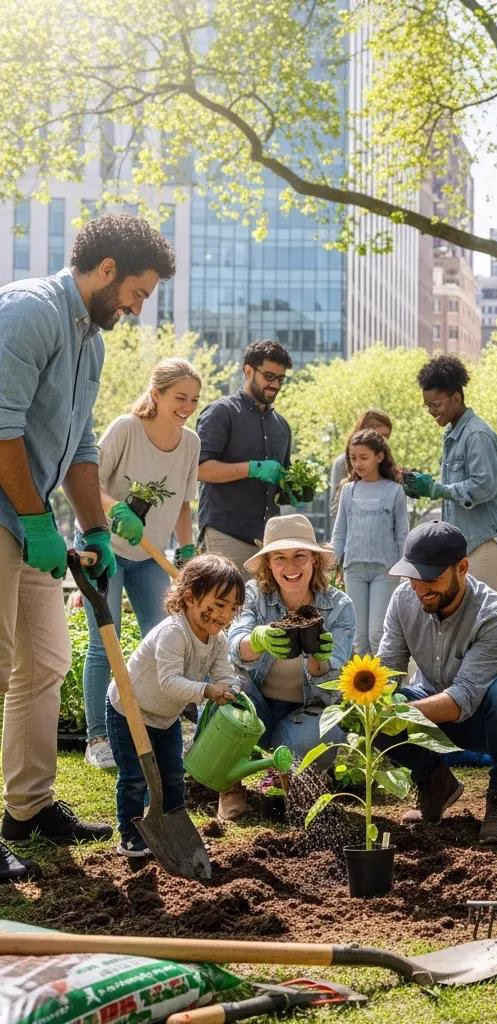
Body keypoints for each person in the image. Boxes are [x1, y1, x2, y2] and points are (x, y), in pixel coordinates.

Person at [0, 212, 175, 883]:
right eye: (138, 292)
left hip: (30, 514)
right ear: (107, 271)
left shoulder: (90, 343)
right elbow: (3, 428)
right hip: (11, 509)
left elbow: (76, 448)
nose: (137, 306)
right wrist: (34, 519)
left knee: (44, 663)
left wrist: (93, 526)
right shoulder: (30, 313)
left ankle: (27, 808)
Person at [375, 521, 497, 843]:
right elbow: (388, 669)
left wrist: (395, 715)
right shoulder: (403, 599)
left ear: (462, 568)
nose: (420, 588)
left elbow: (462, 697)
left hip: (487, 722)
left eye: (431, 578)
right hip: (431, 706)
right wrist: (371, 709)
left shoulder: (495, 614)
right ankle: (434, 782)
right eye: (413, 577)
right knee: (367, 706)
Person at [81, 358, 202, 771]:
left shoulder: (190, 443)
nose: (187, 406)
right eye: (179, 397)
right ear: (157, 394)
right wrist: (117, 510)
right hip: (107, 550)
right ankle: (97, 737)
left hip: (153, 558)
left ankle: (158, 726)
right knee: (104, 643)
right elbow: (88, 483)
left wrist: (187, 552)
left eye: (193, 399)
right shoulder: (126, 429)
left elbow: (184, 503)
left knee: (162, 639)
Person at [109, 555, 243, 856]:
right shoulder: (174, 632)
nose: (225, 615)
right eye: (219, 604)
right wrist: (208, 690)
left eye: (232, 608)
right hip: (129, 711)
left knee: (172, 775)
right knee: (135, 778)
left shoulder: (217, 639)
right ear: (190, 596)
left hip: (165, 718)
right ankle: (130, 836)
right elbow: (170, 681)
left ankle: (173, 830)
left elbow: (225, 674)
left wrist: (232, 690)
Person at [227, 514, 355, 820]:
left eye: (300, 555)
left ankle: (299, 787)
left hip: (306, 711)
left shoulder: (339, 607)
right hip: (257, 703)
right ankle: (230, 787)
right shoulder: (255, 596)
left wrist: (318, 657)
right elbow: (234, 644)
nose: (291, 566)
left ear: (314, 560)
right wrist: (257, 639)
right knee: (225, 701)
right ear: (269, 564)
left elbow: (330, 687)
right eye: (280, 557)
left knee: (314, 740)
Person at [402, 354, 497, 592]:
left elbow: (484, 487)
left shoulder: (476, 434)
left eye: (436, 404)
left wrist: (435, 489)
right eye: (427, 406)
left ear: (456, 398)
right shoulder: (455, 433)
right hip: (470, 540)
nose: (431, 411)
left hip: (486, 538)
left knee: (482, 616)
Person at [196, 339, 293, 576]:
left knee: (262, 613)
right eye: (269, 376)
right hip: (225, 534)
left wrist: (292, 488)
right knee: (225, 610)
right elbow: (199, 469)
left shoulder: (282, 427)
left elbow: (281, 481)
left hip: (267, 542)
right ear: (248, 370)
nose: (275, 384)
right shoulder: (221, 413)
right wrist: (252, 468)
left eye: (280, 379)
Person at [331, 428, 409, 654]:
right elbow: (340, 533)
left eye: (363, 457)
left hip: (385, 571)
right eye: (353, 458)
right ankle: (363, 686)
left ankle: (385, 685)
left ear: (379, 457)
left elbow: (402, 535)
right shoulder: (348, 491)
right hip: (354, 569)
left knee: (378, 633)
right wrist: (329, 563)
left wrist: (405, 570)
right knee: (359, 637)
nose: (357, 463)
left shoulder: (395, 491)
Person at [329, 410, 393, 521]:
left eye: (387, 436)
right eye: (380, 436)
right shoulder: (342, 462)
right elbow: (336, 512)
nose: (384, 442)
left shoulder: (386, 463)